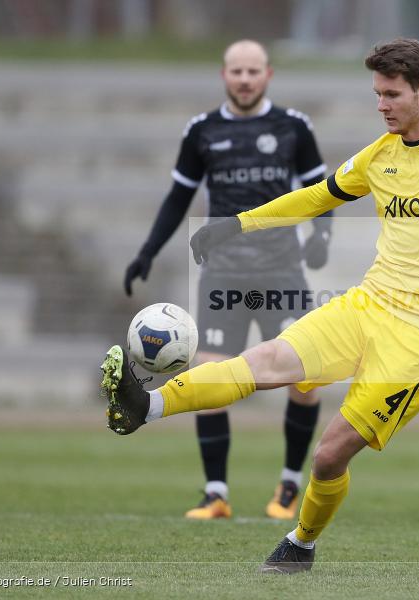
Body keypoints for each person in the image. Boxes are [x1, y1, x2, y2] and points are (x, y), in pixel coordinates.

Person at [101, 38, 419, 573]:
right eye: (376, 94)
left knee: (329, 455)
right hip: (368, 304)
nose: (382, 105)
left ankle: (300, 544)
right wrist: (238, 223)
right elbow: (316, 197)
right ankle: (147, 407)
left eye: (391, 94)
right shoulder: (381, 155)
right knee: (266, 364)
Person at [122, 39, 332, 521]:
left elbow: (323, 192)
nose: (244, 79)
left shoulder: (294, 127)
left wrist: (321, 234)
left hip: (282, 270)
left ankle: (289, 487)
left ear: (268, 75)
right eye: (236, 71)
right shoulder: (202, 131)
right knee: (211, 371)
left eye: (252, 71)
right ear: (224, 75)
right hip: (223, 273)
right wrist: (148, 251)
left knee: (304, 380)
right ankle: (215, 492)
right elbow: (178, 198)